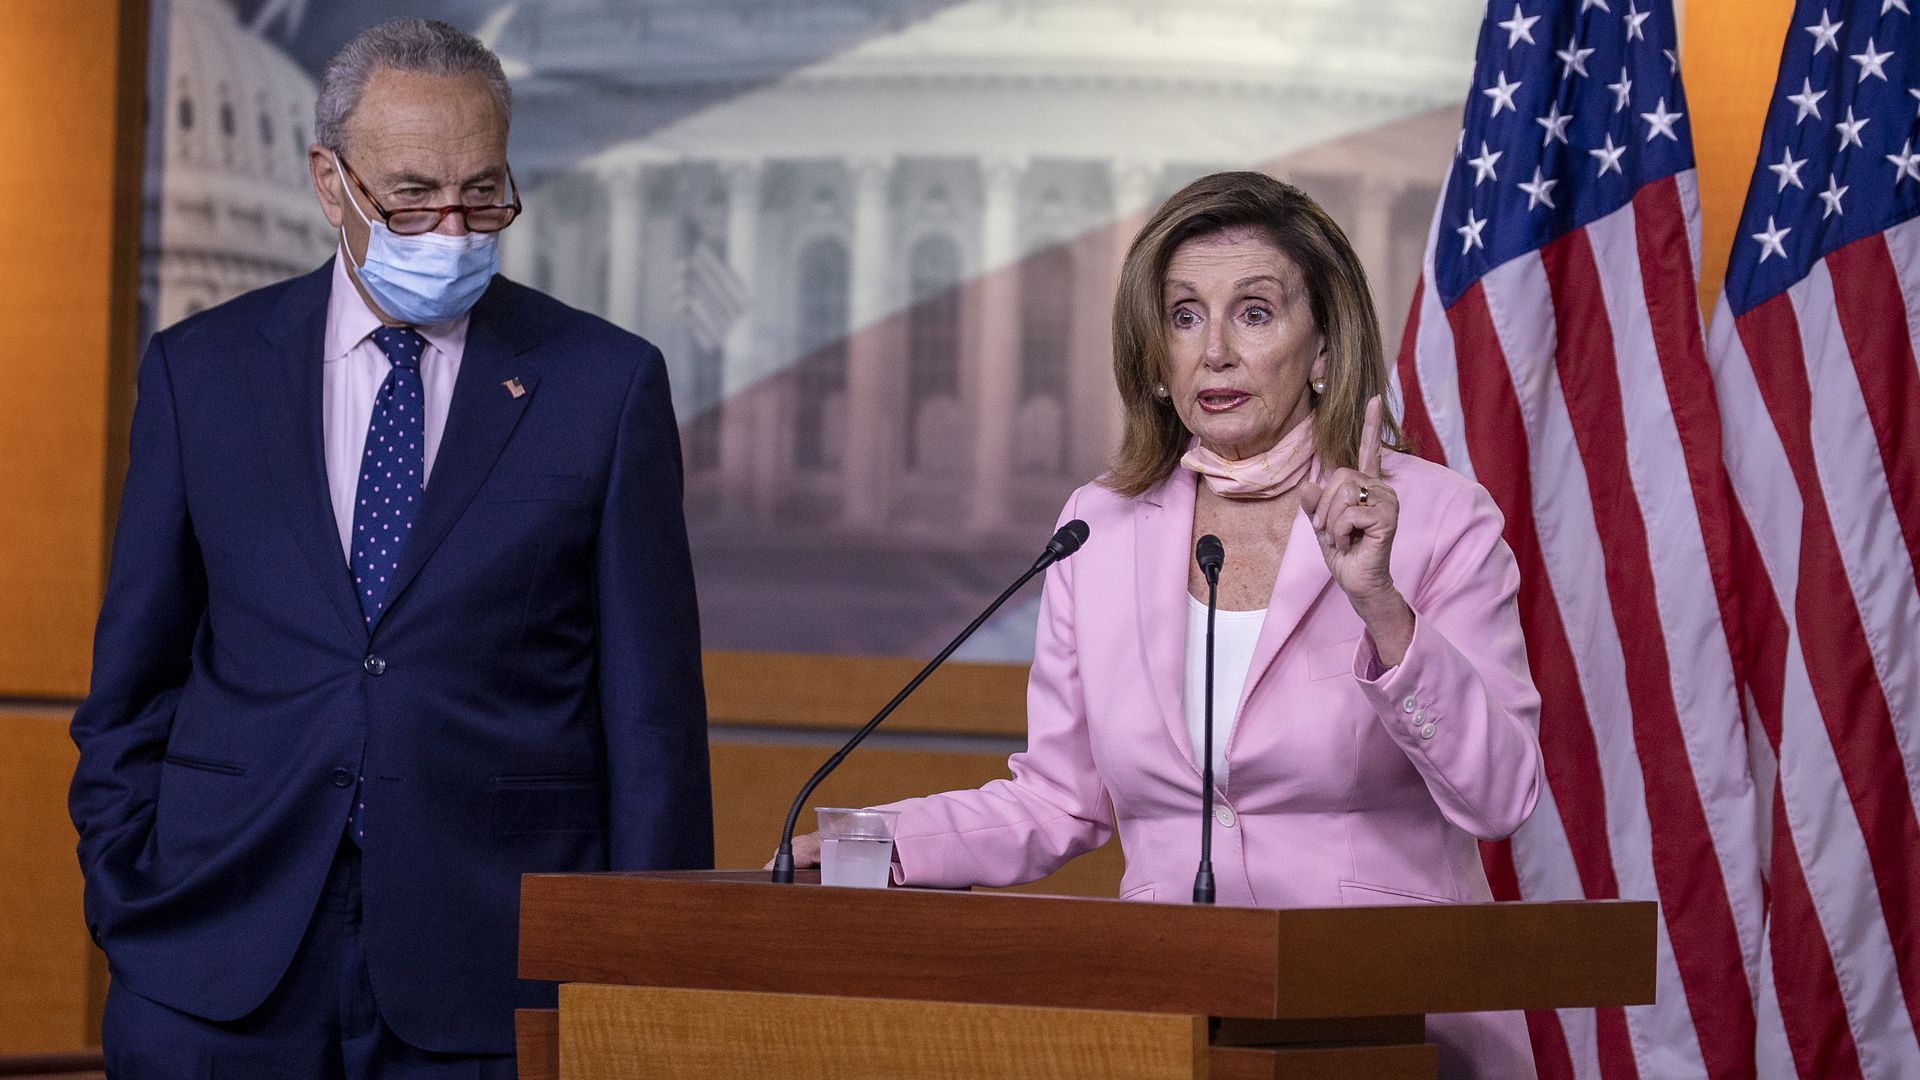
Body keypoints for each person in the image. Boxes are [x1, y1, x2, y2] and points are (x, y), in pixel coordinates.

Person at [784, 171, 1543, 1079]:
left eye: (1254, 314)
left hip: (1391, 1024)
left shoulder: (1433, 518)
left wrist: (1381, 602)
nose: (1214, 351)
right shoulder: (1098, 526)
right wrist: (879, 842)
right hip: (1170, 1024)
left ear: (1325, 349)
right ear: (1154, 354)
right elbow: (1059, 799)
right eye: (1186, 316)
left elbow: (1499, 798)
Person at [69, 19, 712, 1077]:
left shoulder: (604, 384)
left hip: (491, 972)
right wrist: (129, 895)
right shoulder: (203, 372)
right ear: (332, 182)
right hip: (215, 960)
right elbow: (132, 687)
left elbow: (652, 730)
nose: (452, 228)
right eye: (413, 194)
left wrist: (640, 972)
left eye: (484, 194)